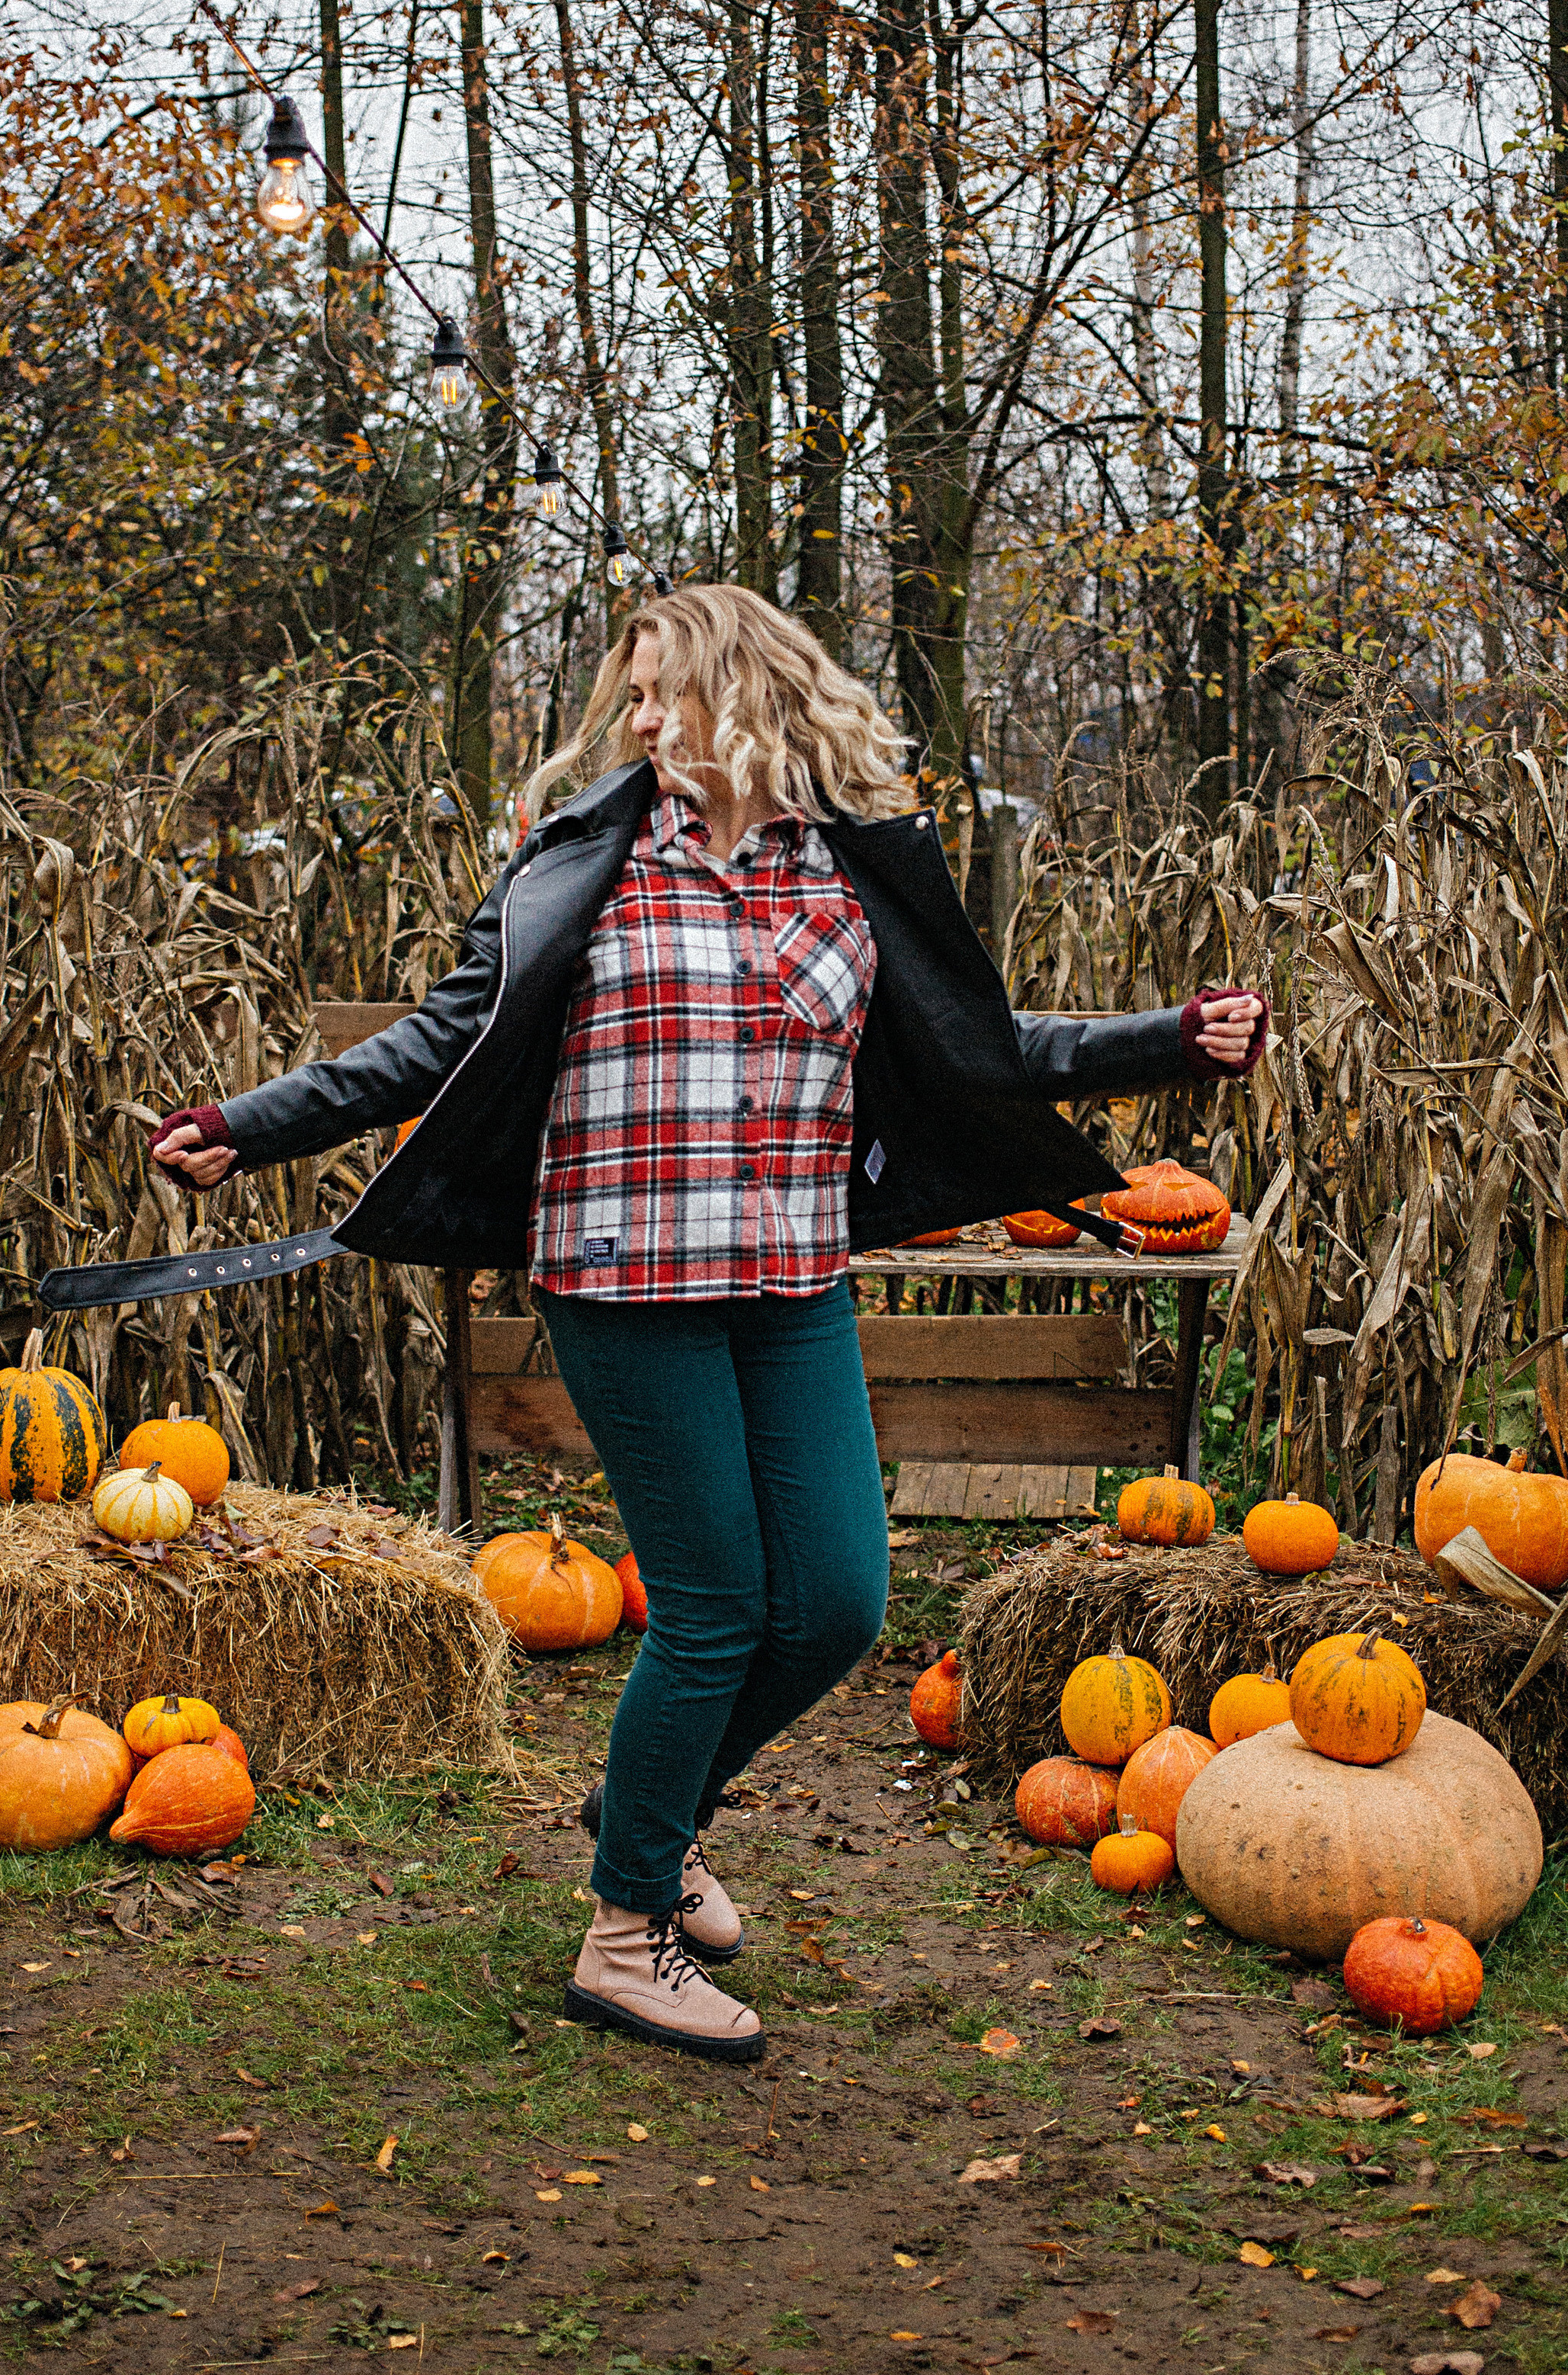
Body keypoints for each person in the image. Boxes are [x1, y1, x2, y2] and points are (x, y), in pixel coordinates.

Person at [152, 582, 1265, 2065]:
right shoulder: (587, 861)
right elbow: (439, 1039)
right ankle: (626, 1935)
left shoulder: (852, 872)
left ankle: (650, 1816)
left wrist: (1167, 1041)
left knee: (840, 1603)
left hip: (790, 1277)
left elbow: (988, 1047)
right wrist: (251, 1124)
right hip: (622, 1281)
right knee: (721, 1607)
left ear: (746, 696)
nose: (640, 720)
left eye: (663, 692)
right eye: (633, 697)